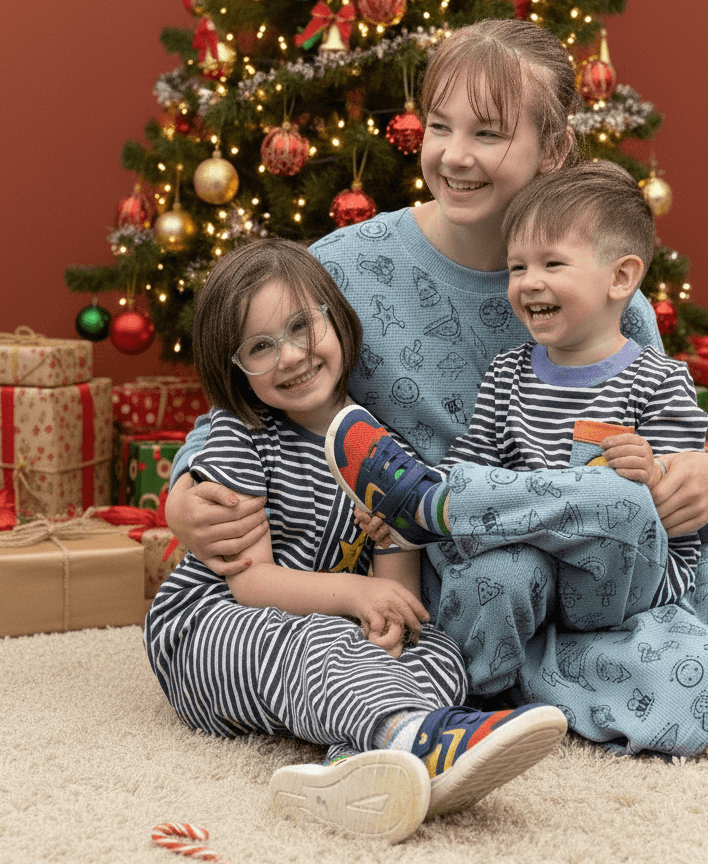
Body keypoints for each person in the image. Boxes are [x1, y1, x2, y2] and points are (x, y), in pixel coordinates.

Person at [164, 19, 708, 757]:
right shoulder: (347, 268)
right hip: (485, 585)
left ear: (553, 150)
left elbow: (662, 440)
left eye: (487, 133)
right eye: (440, 126)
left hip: (623, 562)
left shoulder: (613, 295)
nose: (454, 155)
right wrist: (187, 491)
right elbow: (252, 389)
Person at [144, 238, 568, 844]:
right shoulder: (240, 438)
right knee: (313, 638)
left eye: (299, 327)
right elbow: (251, 584)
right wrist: (353, 595)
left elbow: (392, 597)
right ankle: (414, 736)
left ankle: (351, 762)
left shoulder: (378, 445)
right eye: (260, 347)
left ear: (334, 317)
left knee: (436, 651)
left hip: (334, 629)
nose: (289, 356)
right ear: (234, 368)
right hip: (216, 629)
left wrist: (391, 570)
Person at [325, 160, 708, 644]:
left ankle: (427, 507)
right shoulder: (509, 375)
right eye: (517, 267)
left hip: (627, 582)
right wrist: (423, 505)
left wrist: (656, 473)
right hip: (532, 575)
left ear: (620, 278)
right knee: (492, 574)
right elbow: (472, 466)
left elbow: (682, 513)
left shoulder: (661, 380)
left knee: (617, 496)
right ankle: (486, 686)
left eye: (552, 264)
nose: (528, 281)